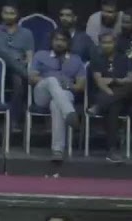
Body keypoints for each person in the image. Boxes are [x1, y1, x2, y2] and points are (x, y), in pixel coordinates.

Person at [28, 31, 85, 160]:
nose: (59, 43)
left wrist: (68, 87)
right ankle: (70, 113)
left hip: (65, 94)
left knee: (56, 104)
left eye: (63, 40)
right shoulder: (41, 55)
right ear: (51, 41)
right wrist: (51, 83)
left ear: (68, 43)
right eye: (56, 40)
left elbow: (81, 86)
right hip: (43, 94)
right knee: (52, 80)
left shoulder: (76, 60)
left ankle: (57, 151)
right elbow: (32, 78)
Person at [90, 31, 132, 164]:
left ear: (115, 43)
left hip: (123, 96)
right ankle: (112, 150)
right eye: (104, 42)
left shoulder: (124, 58)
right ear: (100, 44)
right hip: (107, 95)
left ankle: (98, 106)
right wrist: (110, 94)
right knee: (113, 107)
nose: (107, 45)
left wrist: (114, 81)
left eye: (109, 42)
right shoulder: (97, 59)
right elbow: (99, 82)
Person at [0, 4, 34, 125]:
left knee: (18, 84)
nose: (8, 16)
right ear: (1, 14)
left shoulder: (26, 33)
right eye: (6, 13)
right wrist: (10, 58)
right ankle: (28, 76)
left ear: (17, 15)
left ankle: (13, 120)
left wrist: (22, 62)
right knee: (3, 54)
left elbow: (29, 58)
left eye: (12, 13)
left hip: (17, 70)